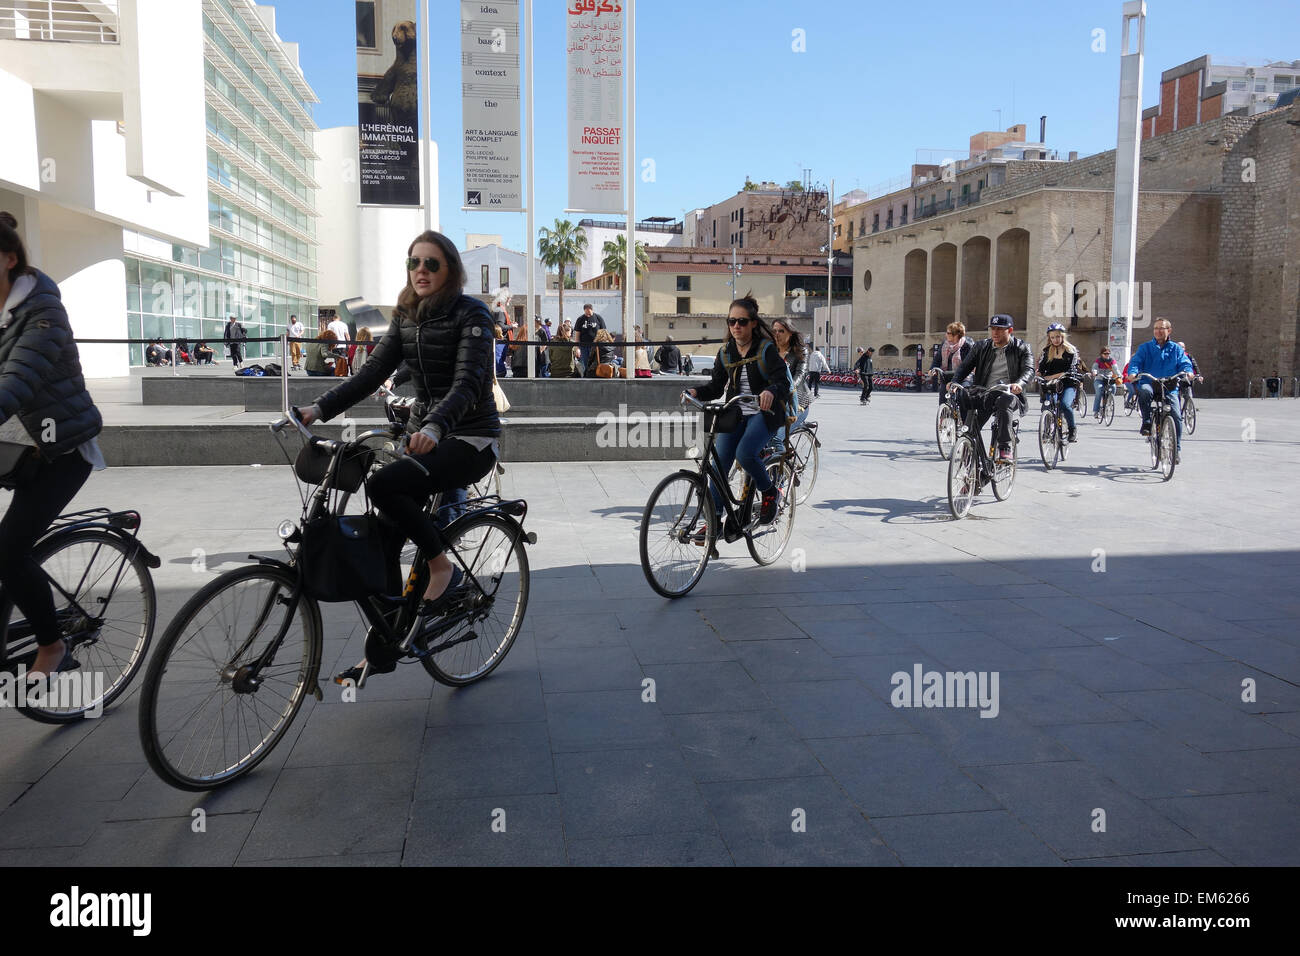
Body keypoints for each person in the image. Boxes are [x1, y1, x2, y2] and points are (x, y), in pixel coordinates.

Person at [296, 230, 500, 685]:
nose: (421, 271)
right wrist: (318, 408)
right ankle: (388, 639)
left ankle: (441, 566)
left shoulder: (473, 314)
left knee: (384, 486)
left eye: (431, 263)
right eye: (414, 263)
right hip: (423, 433)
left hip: (470, 437)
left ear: (451, 269)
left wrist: (434, 426)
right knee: (382, 531)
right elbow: (371, 374)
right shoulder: (407, 315)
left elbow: (469, 384)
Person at [0, 215, 106, 679]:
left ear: (9, 259)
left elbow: (17, 383)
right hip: (12, 445)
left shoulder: (42, 312)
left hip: (57, 451)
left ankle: (51, 644)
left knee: (7, 550)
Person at [687, 293, 792, 537]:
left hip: (764, 414)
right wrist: (695, 391)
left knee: (745, 454)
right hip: (735, 413)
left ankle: (770, 491)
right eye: (731, 321)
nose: (736, 326)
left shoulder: (766, 349)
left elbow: (782, 382)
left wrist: (770, 390)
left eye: (742, 321)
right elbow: (715, 387)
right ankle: (713, 521)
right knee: (719, 465)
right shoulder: (726, 353)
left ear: (753, 323)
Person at [948, 314, 1033, 462]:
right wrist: (955, 382)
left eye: (1000, 329)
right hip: (985, 393)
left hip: (1008, 393)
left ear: (1010, 330)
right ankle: (968, 469)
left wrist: (1019, 384)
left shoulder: (1022, 348)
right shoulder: (981, 346)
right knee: (969, 427)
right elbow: (965, 367)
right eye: (993, 329)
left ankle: (1005, 447)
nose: (995, 332)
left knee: (1004, 401)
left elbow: (1029, 369)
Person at [1125, 317, 1193, 451]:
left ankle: (1176, 448)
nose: (1158, 331)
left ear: (1169, 330)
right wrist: (1133, 373)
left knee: (1176, 415)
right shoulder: (1145, 348)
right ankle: (1146, 421)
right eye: (1155, 328)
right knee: (1144, 391)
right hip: (1149, 382)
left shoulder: (1176, 349)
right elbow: (1136, 362)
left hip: (1169, 384)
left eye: (1161, 328)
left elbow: (1184, 362)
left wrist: (1188, 372)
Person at [1037, 322, 1083, 442]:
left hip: (1068, 382)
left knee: (1065, 405)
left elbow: (1069, 370)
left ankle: (1072, 429)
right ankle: (1047, 430)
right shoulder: (1046, 351)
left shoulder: (1071, 351)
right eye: (1052, 337)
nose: (1055, 340)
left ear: (1063, 336)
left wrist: (1051, 376)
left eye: (1058, 336)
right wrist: (1037, 374)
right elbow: (1041, 368)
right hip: (1051, 384)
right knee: (1047, 406)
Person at [771, 319, 810, 441]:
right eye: (774, 331)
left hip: (796, 403)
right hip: (774, 402)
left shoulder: (800, 350)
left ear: (790, 333)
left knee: (776, 438)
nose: (777, 334)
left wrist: (788, 388)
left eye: (781, 331)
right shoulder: (769, 351)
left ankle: (780, 457)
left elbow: (800, 374)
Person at [930, 322, 973, 405]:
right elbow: (937, 359)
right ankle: (943, 416)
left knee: (963, 396)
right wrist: (933, 369)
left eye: (948, 333)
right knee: (943, 400)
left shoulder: (967, 345)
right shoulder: (945, 344)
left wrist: (957, 381)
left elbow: (968, 365)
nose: (946, 335)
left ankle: (963, 417)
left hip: (964, 377)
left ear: (956, 335)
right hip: (947, 376)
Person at [574, 303, 605, 373]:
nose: (588, 315)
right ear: (584, 311)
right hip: (584, 346)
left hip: (596, 346)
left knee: (595, 363)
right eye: (586, 313)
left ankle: (595, 375)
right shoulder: (580, 319)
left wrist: (603, 345)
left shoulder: (598, 318)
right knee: (585, 363)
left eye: (589, 313)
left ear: (592, 310)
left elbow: (603, 332)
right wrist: (577, 347)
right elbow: (577, 334)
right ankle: (587, 375)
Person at [1091, 347, 1118, 416]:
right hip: (1099, 379)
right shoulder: (1098, 361)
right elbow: (1094, 368)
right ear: (1101, 354)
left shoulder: (1112, 361)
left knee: (1113, 387)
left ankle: (1109, 402)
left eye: (1108, 353)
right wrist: (1095, 372)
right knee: (1099, 391)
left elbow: (1116, 369)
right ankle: (1096, 411)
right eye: (1105, 353)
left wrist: (1119, 375)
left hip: (1109, 378)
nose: (1107, 355)